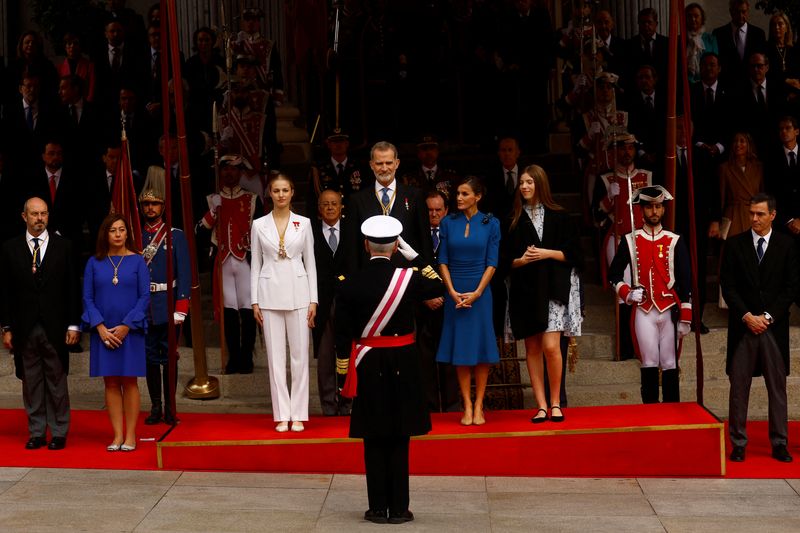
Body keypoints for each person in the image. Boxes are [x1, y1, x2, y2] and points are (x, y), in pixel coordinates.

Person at [335, 215, 442, 524]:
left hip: (367, 363)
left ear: (365, 244)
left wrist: (345, 372)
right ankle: (399, 509)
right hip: (404, 364)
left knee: (373, 436)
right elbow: (439, 285)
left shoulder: (350, 283)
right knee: (400, 434)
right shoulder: (408, 278)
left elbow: (342, 335)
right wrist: (416, 256)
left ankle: (376, 508)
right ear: (396, 246)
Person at [721, 193, 799, 463]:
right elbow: (727, 286)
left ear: (773, 215)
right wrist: (747, 316)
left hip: (772, 328)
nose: (754, 218)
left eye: (760, 214)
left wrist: (766, 316)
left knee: (777, 388)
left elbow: (791, 288)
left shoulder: (787, 246)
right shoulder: (734, 245)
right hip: (744, 327)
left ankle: (779, 443)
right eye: (752, 213)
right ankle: (738, 442)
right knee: (738, 387)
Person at [0, 197, 81, 450]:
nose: (39, 218)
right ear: (24, 216)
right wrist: (6, 327)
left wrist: (74, 325)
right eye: (34, 214)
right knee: (31, 381)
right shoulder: (9, 248)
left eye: (44, 213)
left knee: (57, 380)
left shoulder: (64, 246)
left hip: (56, 326)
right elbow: (4, 292)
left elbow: (72, 289)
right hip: (24, 327)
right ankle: (36, 431)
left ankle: (58, 431)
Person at [505, 166, 582, 421]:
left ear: (540, 184)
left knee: (551, 346)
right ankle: (540, 405)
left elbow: (574, 255)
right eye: (522, 183)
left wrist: (545, 252)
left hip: (553, 289)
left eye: (530, 182)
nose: (525, 186)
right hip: (525, 291)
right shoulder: (514, 220)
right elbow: (505, 261)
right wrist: (523, 260)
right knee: (533, 348)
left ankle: (556, 401)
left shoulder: (560, 216)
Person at [609, 186, 692, 404]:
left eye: (658, 207)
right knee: (649, 361)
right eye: (649, 207)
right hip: (643, 310)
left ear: (663, 209)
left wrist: (686, 316)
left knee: (670, 361)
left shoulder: (674, 240)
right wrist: (627, 292)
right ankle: (651, 414)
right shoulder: (630, 239)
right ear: (642, 210)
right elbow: (614, 274)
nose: (654, 211)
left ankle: (673, 412)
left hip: (669, 311)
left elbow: (685, 280)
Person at [250, 173, 317, 432]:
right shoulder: (259, 224)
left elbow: (310, 262)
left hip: (299, 292)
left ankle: (299, 413)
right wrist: (254, 301)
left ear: (292, 193)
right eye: (276, 191)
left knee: (300, 356)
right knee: (276, 358)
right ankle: (281, 414)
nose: (280, 195)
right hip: (268, 293)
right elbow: (255, 263)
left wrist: (314, 300)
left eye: (285, 190)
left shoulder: (305, 223)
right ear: (270, 193)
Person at [82, 213, 150, 451]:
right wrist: (99, 327)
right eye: (113, 230)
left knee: (130, 382)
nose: (119, 234)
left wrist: (126, 325)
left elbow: (144, 297)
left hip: (129, 331)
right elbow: (87, 298)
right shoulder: (93, 263)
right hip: (104, 331)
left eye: (122, 230)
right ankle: (117, 436)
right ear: (105, 234)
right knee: (110, 382)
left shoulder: (138, 261)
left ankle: (131, 436)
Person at [435, 176, 500, 425]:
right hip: (455, 291)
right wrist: (451, 291)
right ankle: (467, 405)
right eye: (458, 194)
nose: (459, 198)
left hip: (480, 293)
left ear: (477, 196)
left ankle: (480, 405)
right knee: (461, 349)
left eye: (464, 194)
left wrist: (477, 292)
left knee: (481, 350)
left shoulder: (491, 223)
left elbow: (492, 262)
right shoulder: (448, 223)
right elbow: (443, 259)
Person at [198, 154, 261, 374]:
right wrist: (214, 210)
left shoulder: (253, 199)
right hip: (223, 262)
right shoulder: (211, 199)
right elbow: (200, 229)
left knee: (247, 309)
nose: (229, 173)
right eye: (225, 169)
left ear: (240, 172)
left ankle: (247, 357)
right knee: (229, 312)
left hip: (246, 260)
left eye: (234, 169)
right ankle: (233, 357)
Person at [139, 185, 191, 426]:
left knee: (170, 357)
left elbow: (185, 274)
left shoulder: (175, 235)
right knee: (149, 359)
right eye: (147, 204)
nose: (150, 208)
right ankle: (155, 406)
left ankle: (171, 408)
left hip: (169, 303)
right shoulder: (136, 235)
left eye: (155, 204)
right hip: (145, 306)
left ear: (163, 207)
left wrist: (181, 308)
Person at [343, 141, 433, 273]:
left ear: (397, 163)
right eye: (379, 163)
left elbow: (424, 240)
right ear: (371, 165)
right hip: (371, 275)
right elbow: (352, 245)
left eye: (389, 163)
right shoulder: (357, 199)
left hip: (407, 274)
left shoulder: (415, 195)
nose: (384, 168)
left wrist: (429, 275)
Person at [417, 190, 459, 413]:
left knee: (451, 360)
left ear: (446, 211)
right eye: (429, 210)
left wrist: (446, 295)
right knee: (424, 361)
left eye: (438, 210)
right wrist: (425, 297)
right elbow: (409, 269)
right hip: (423, 308)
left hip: (449, 305)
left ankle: (452, 406)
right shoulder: (415, 234)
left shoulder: (456, 234)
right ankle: (430, 408)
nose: (433, 214)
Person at [311, 190, 350, 416]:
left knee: (346, 352)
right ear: (319, 208)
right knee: (325, 355)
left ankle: (347, 402)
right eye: (325, 204)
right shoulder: (311, 233)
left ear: (341, 206)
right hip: (321, 301)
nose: (330, 208)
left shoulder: (352, 231)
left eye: (334, 203)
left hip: (347, 301)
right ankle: (328, 404)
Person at [717, 131, 763, 240]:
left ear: (749, 145)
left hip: (754, 215)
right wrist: (718, 221)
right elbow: (720, 198)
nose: (738, 144)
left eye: (742, 141)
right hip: (733, 216)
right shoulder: (725, 168)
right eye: (735, 141)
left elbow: (763, 195)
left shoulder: (759, 167)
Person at [713, 0, 766, 85]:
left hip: (752, 86)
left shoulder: (758, 34)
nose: (740, 15)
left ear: (748, 11)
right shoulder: (719, 34)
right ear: (731, 12)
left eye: (743, 12)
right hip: (727, 85)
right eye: (737, 12)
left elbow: (762, 63)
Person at [685, 3, 718, 84]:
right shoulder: (680, 40)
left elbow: (715, 64)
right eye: (689, 16)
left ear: (702, 18)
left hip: (706, 84)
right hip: (685, 85)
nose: (693, 19)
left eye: (696, 16)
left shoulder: (711, 39)